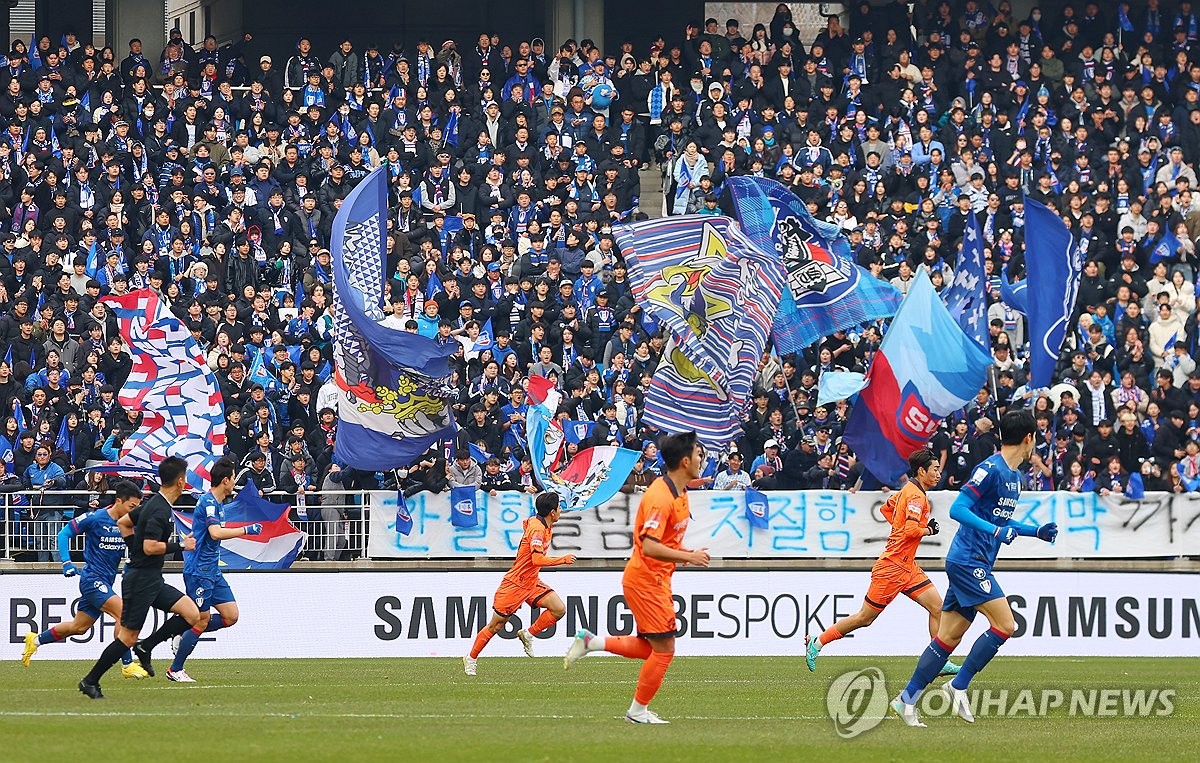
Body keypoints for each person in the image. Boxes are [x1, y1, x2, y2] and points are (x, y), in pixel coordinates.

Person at [891, 410, 1058, 726]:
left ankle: (906, 699)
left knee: (947, 639)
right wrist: (995, 531)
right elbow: (958, 509)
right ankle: (958, 684)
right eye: (1037, 437)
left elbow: (1000, 520)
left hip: (974, 561)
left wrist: (1035, 531)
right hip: (969, 562)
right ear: (1028, 438)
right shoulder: (989, 470)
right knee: (1005, 625)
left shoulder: (1014, 478)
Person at [564, 431, 710, 724]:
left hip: (656, 580)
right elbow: (648, 544)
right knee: (666, 650)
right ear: (685, 461)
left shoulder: (679, 491)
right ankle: (637, 712)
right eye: (698, 454)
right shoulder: (660, 497)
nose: (701, 459)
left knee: (651, 648)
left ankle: (591, 642)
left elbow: (665, 539)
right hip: (646, 581)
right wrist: (688, 557)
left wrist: (684, 552)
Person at [804, 448, 958, 677]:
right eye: (935, 469)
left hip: (908, 566)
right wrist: (928, 529)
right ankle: (817, 641)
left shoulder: (909, 490)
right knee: (865, 618)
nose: (938, 473)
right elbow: (910, 529)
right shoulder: (916, 496)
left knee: (937, 608)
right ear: (921, 470)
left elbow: (887, 508)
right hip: (892, 568)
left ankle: (937, 661)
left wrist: (899, 525)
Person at [79, 456, 205, 699]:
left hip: (151, 578)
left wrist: (133, 548)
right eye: (186, 477)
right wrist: (181, 545)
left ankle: (146, 646)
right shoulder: (158, 509)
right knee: (127, 637)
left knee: (192, 614)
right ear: (180, 481)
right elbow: (149, 547)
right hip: (140, 581)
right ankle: (90, 680)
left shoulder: (155, 503)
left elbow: (125, 523)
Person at [21, 481, 149, 680]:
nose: (135, 511)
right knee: (123, 614)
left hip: (107, 580)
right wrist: (66, 562)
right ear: (118, 501)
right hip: (92, 580)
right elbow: (64, 533)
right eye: (132, 507)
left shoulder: (128, 524)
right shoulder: (95, 518)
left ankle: (35, 640)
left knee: (79, 627)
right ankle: (127, 664)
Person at [165, 458, 262, 682]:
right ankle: (175, 669)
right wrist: (246, 530)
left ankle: (182, 634)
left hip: (212, 571)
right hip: (199, 570)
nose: (235, 482)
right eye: (234, 477)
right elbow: (215, 533)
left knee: (231, 616)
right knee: (201, 619)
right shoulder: (209, 503)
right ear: (225, 480)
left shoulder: (218, 504)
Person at [462, 492, 575, 676]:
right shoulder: (538, 529)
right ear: (552, 512)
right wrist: (563, 559)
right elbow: (537, 558)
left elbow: (527, 523)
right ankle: (471, 657)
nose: (561, 511)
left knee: (559, 609)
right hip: (516, 584)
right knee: (495, 626)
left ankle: (528, 634)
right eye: (560, 508)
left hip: (531, 582)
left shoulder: (541, 523)